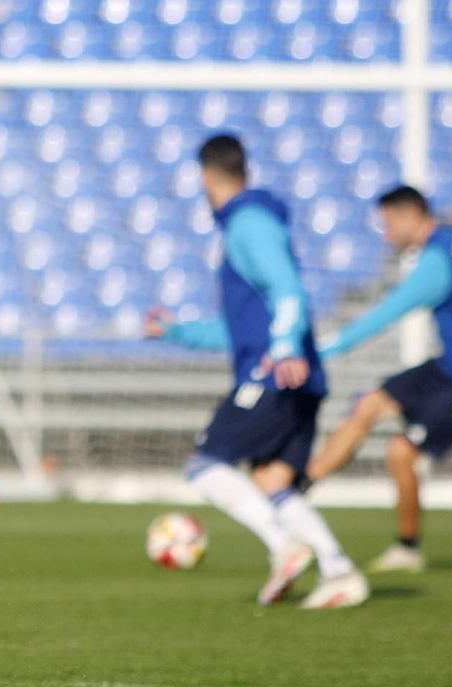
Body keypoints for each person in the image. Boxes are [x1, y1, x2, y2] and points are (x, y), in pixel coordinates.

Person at [146, 134, 368, 609]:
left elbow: (288, 289)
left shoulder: (248, 224)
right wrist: (178, 332)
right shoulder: (252, 222)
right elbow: (242, 329)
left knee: (205, 464)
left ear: (206, 177)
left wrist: (284, 346)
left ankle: (283, 545)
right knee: (270, 480)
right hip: (297, 375)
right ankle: (339, 570)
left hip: (273, 373)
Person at [306, 185, 452, 571]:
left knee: (401, 452)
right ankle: (298, 489)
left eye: (388, 225)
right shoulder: (450, 242)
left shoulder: (437, 261)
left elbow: (386, 314)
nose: (387, 237)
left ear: (409, 215)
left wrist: (321, 350)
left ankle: (407, 549)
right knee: (369, 404)